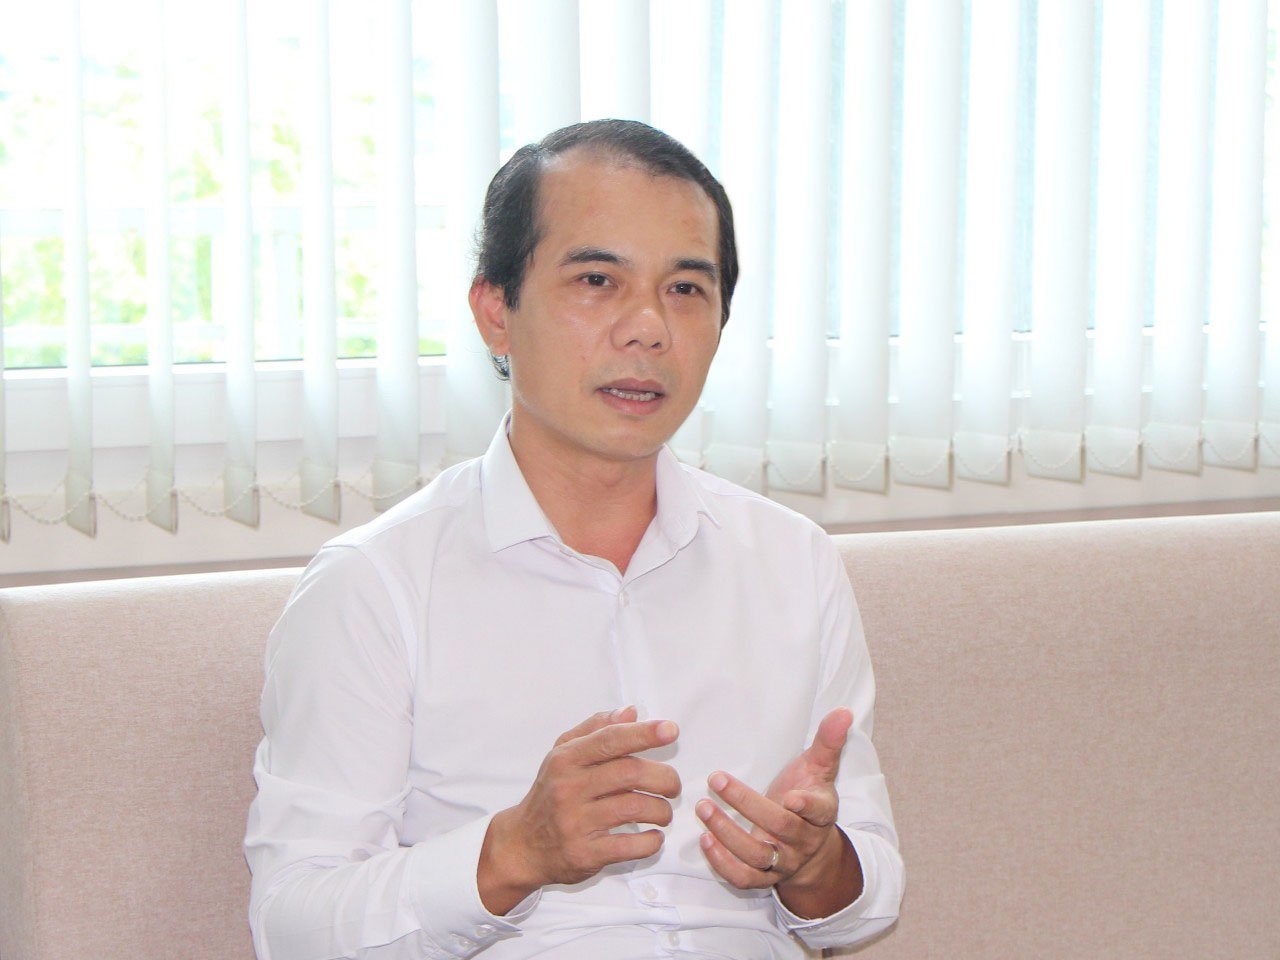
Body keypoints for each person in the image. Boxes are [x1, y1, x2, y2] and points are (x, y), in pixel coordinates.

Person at [244, 119, 904, 959]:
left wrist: (815, 864)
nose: (648, 327)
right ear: (496, 312)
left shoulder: (793, 561)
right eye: (598, 280)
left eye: (686, 289)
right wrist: (510, 854)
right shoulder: (375, 583)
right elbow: (293, 925)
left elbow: (865, 901)